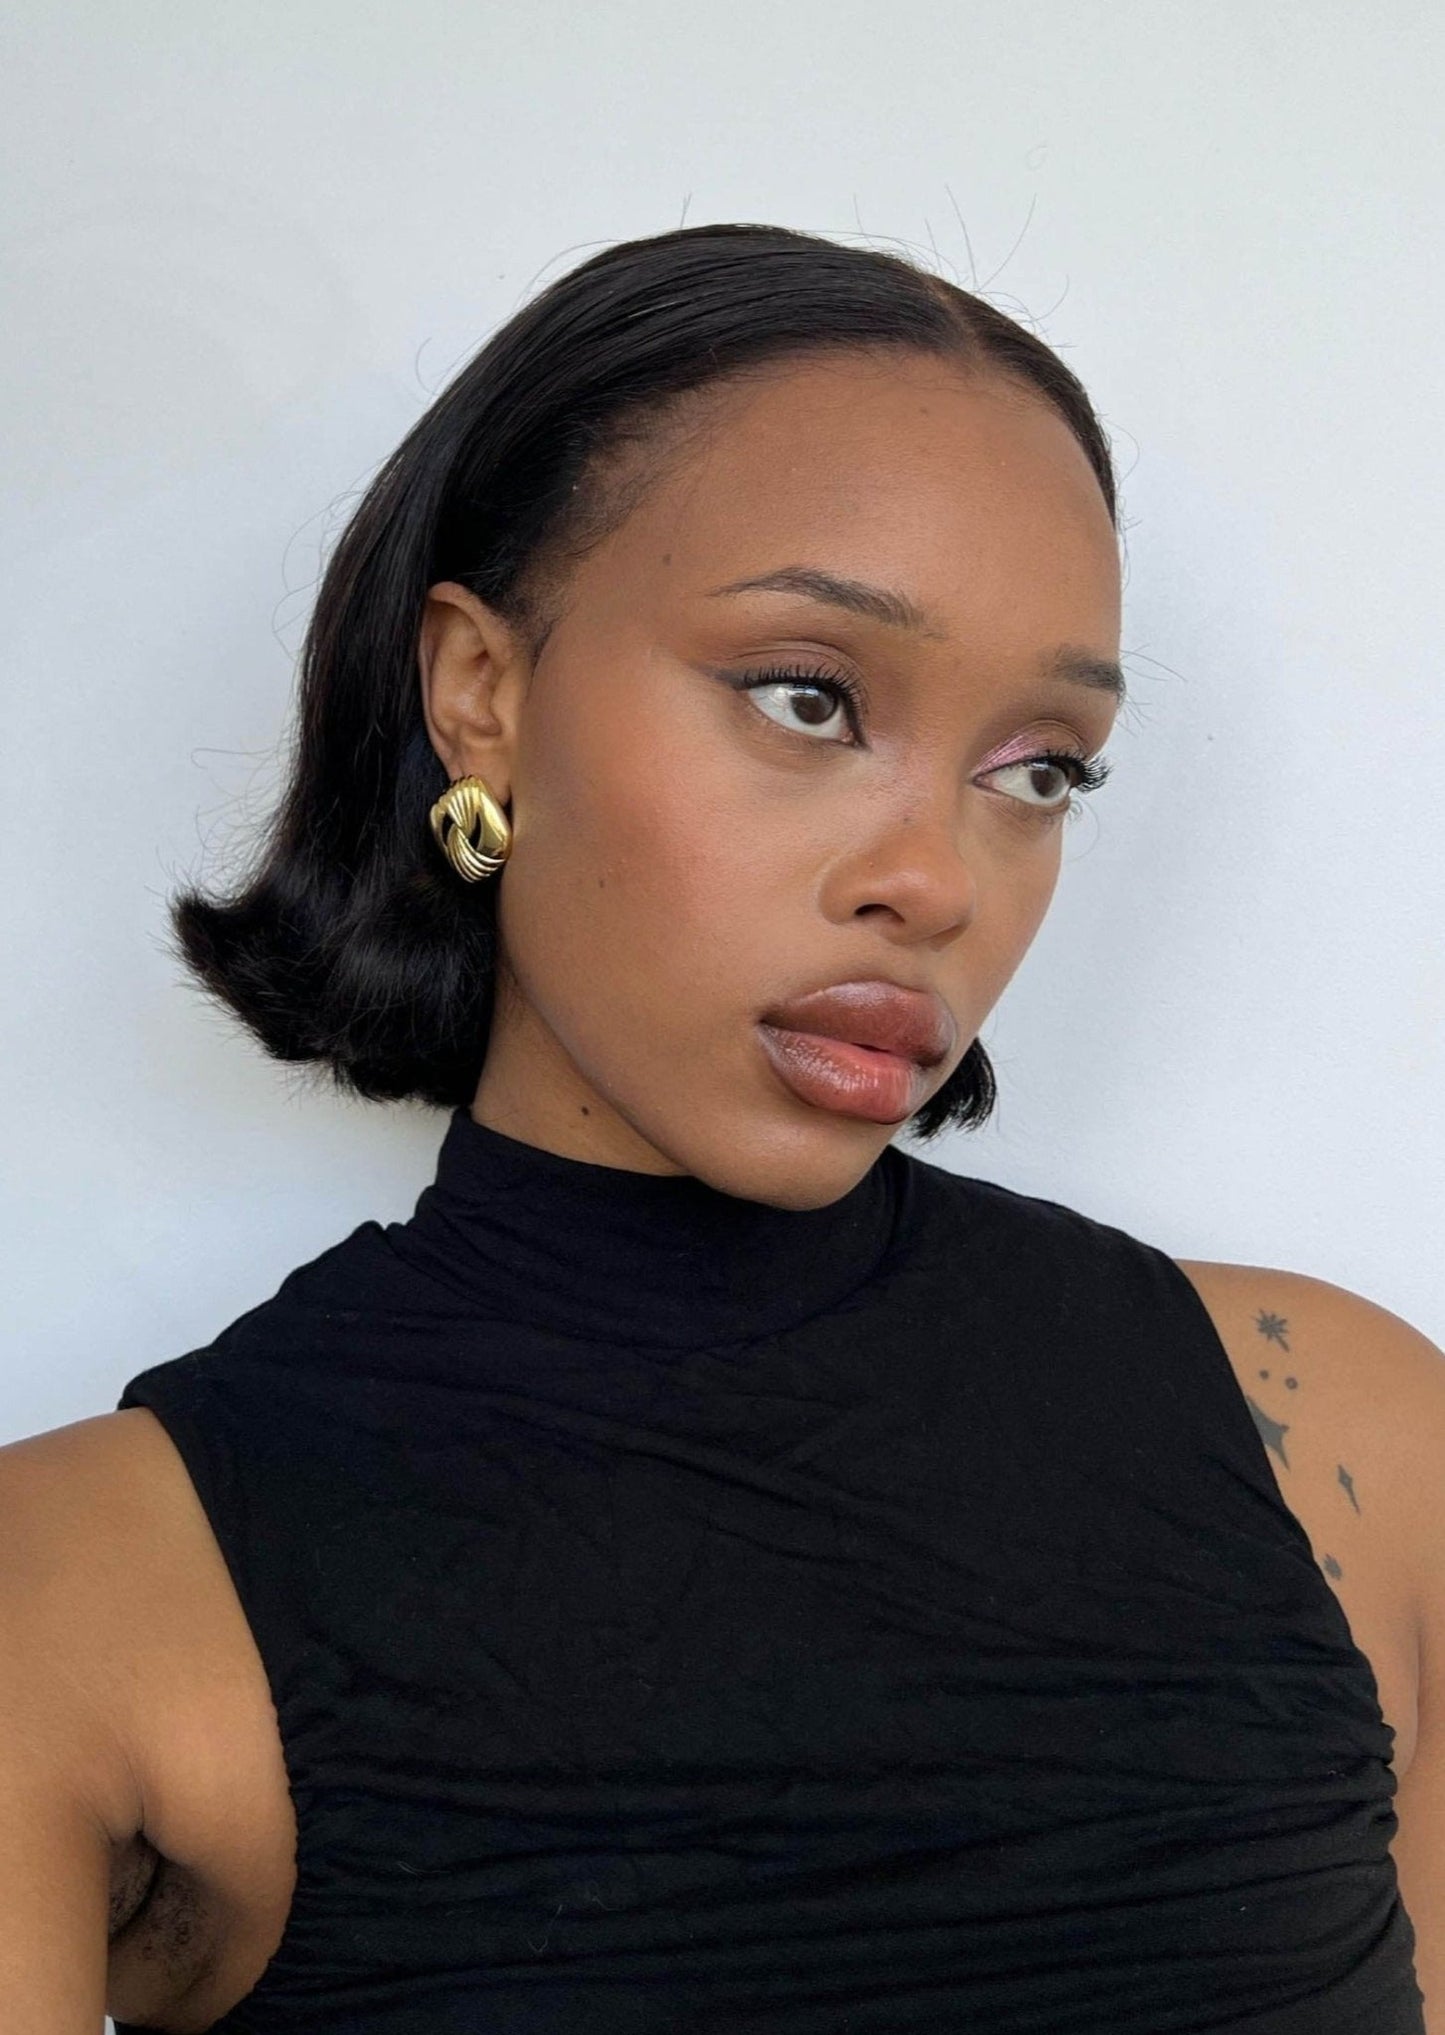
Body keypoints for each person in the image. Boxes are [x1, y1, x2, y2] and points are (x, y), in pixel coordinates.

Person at [2, 222, 1440, 2034]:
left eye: (1036, 770)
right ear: (481, 697)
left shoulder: (1350, 1445)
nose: (932, 880)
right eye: (806, 697)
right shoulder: (73, 1599)